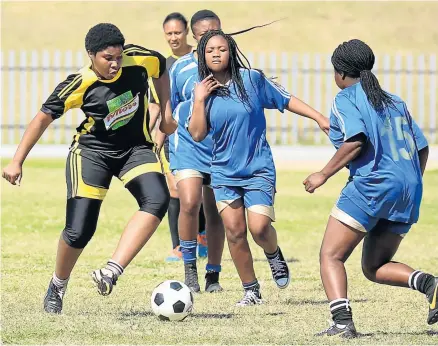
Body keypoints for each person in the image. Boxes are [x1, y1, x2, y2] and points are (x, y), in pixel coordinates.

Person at [2, 23, 174, 314]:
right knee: (80, 230)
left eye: (119, 56)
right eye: (108, 57)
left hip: (135, 148)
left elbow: (161, 68)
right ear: (91, 55)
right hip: (92, 153)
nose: (115, 63)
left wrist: (166, 112)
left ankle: (111, 271)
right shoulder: (80, 82)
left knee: (157, 199)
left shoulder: (141, 60)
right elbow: (43, 118)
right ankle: (57, 285)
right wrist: (17, 160)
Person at [303, 39, 437, 337]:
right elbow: (422, 148)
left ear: (339, 73)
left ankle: (341, 324)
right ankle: (431, 284)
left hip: (373, 186)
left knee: (331, 256)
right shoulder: (394, 101)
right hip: (408, 189)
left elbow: (356, 140)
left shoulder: (345, 99)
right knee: (374, 265)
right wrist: (410, 179)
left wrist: (322, 175)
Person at [188, 30, 330, 305]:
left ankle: (273, 253)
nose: (216, 53)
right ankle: (251, 290)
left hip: (257, 169)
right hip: (224, 173)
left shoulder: (252, 80)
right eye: (210, 50)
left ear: (231, 52)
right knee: (235, 232)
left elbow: (287, 100)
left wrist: (318, 117)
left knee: (259, 228)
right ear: (203, 56)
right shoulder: (202, 90)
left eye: (222, 49)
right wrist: (199, 99)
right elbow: (196, 134)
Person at [167, 10, 227, 293]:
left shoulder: (232, 68)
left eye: (216, 32)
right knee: (189, 203)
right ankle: (189, 268)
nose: (211, 38)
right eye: (204, 34)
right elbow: (174, 107)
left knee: (216, 212)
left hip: (220, 148)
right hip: (188, 145)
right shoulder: (180, 68)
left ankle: (212, 274)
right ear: (194, 36)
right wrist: (163, 135)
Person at [148, 12, 208, 262]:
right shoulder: (164, 67)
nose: (173, 38)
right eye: (169, 34)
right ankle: (180, 246)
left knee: (201, 193)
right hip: (175, 139)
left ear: (188, 33)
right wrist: (151, 142)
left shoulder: (203, 57)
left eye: (178, 33)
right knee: (175, 191)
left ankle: (203, 236)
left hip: (203, 137)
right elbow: (157, 107)